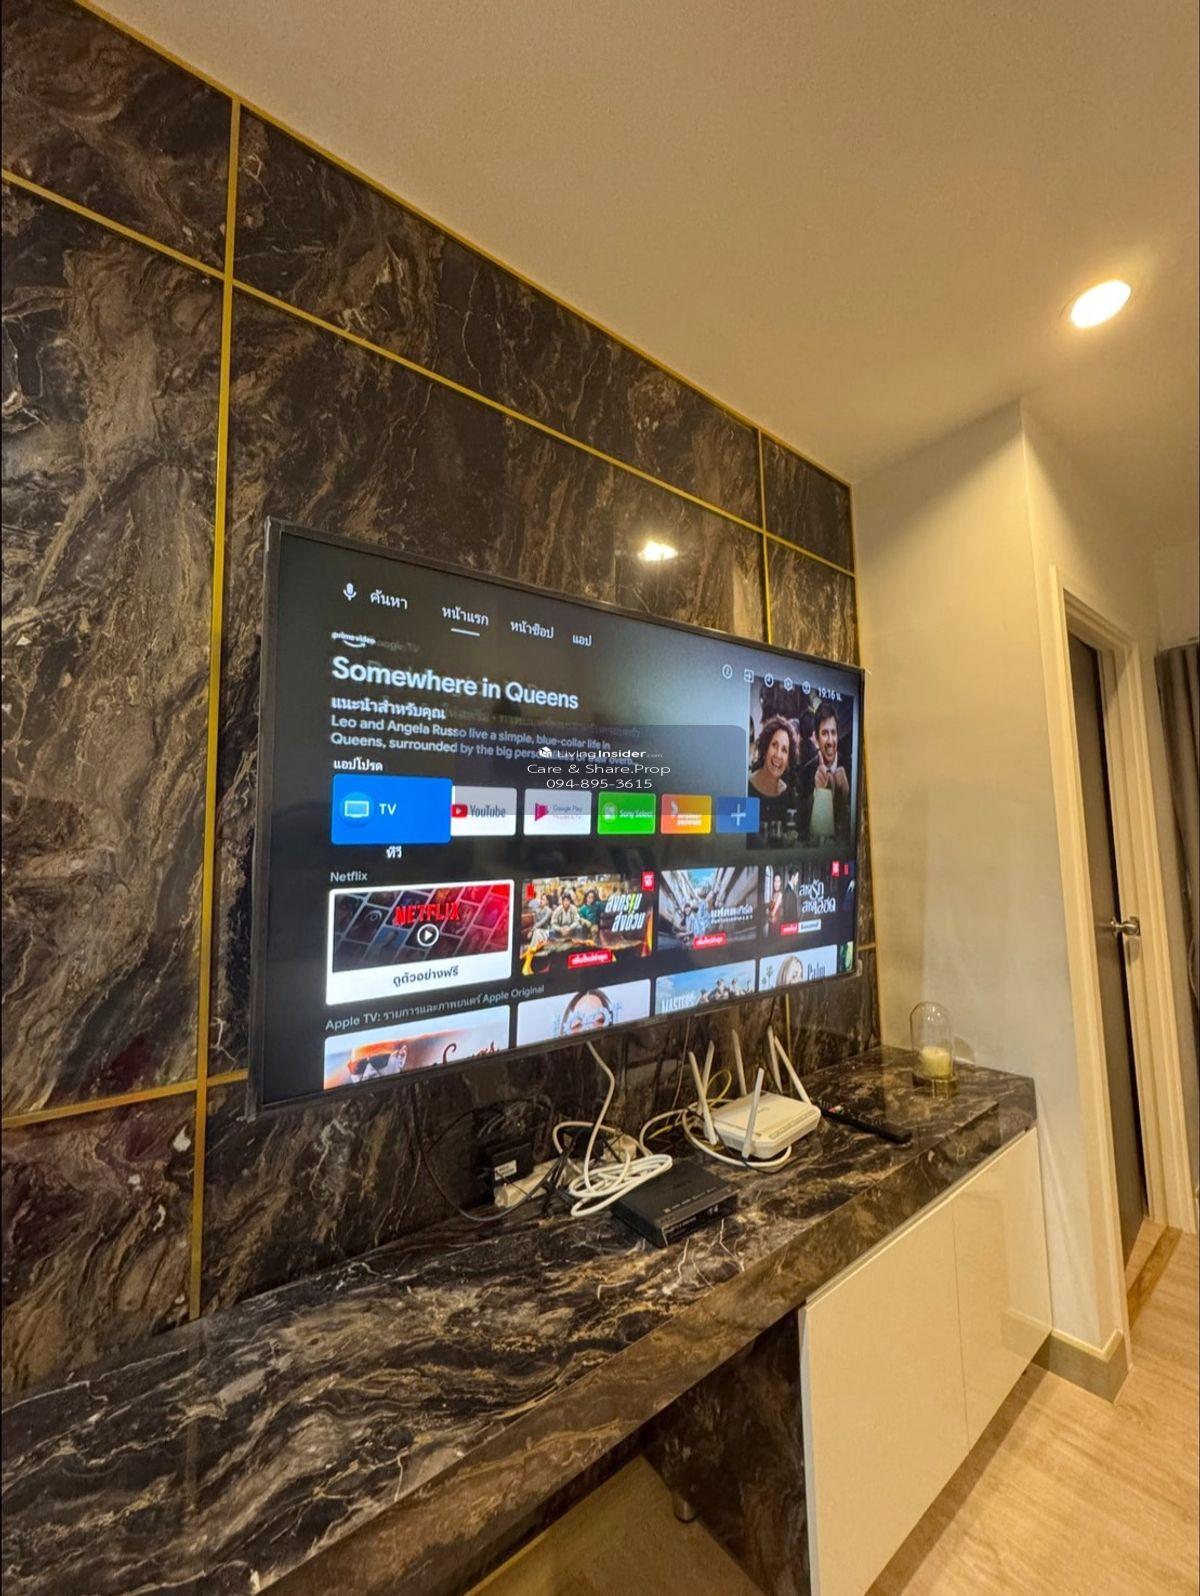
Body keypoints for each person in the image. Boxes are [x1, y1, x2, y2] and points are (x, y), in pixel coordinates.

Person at [798, 702, 851, 841]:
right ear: (816, 739)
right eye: (824, 733)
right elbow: (802, 828)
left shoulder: (850, 767)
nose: (830, 741)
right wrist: (817, 795)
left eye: (833, 733)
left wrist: (846, 797)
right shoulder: (806, 773)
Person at [748, 716, 798, 831]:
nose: (778, 755)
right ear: (765, 749)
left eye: (784, 750)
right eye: (774, 745)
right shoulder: (746, 788)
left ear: (788, 760)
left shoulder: (789, 795)